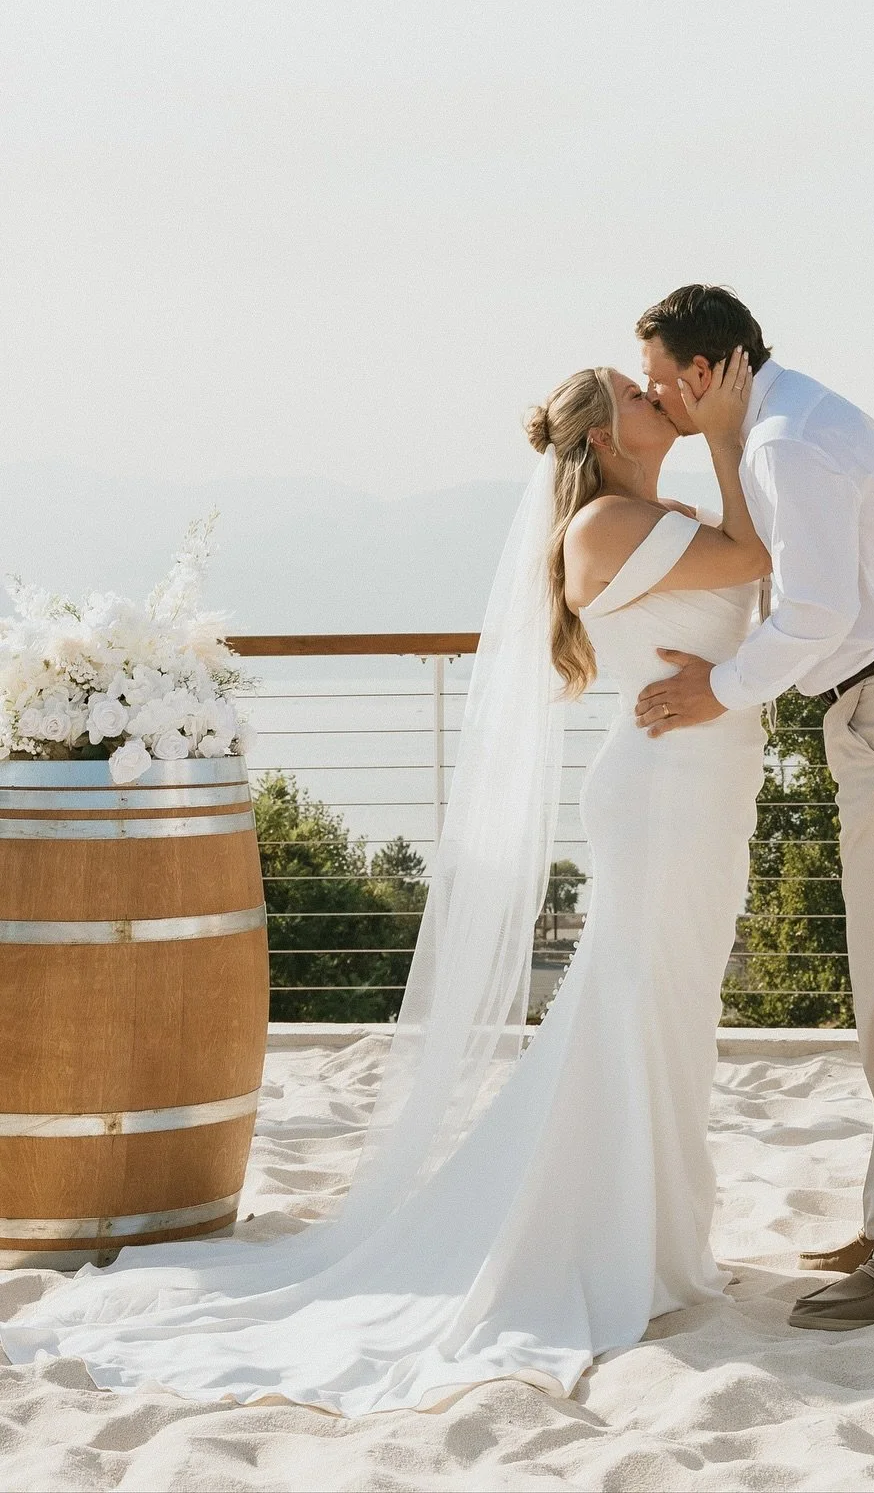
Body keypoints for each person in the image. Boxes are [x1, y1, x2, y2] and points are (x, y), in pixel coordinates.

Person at [2, 355, 773, 1414]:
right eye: (642, 396)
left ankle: (653, 1233)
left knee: (670, 1011)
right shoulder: (600, 530)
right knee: (637, 1009)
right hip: (666, 797)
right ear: (603, 437)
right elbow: (760, 552)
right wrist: (730, 430)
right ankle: (614, 1237)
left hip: (704, 786)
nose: (662, 399)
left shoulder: (652, 514)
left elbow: (748, 574)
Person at [635, 284, 874, 1332]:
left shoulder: (786, 442)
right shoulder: (784, 424)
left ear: (706, 371)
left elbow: (817, 610)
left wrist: (718, 687)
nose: (658, 401)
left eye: (663, 382)